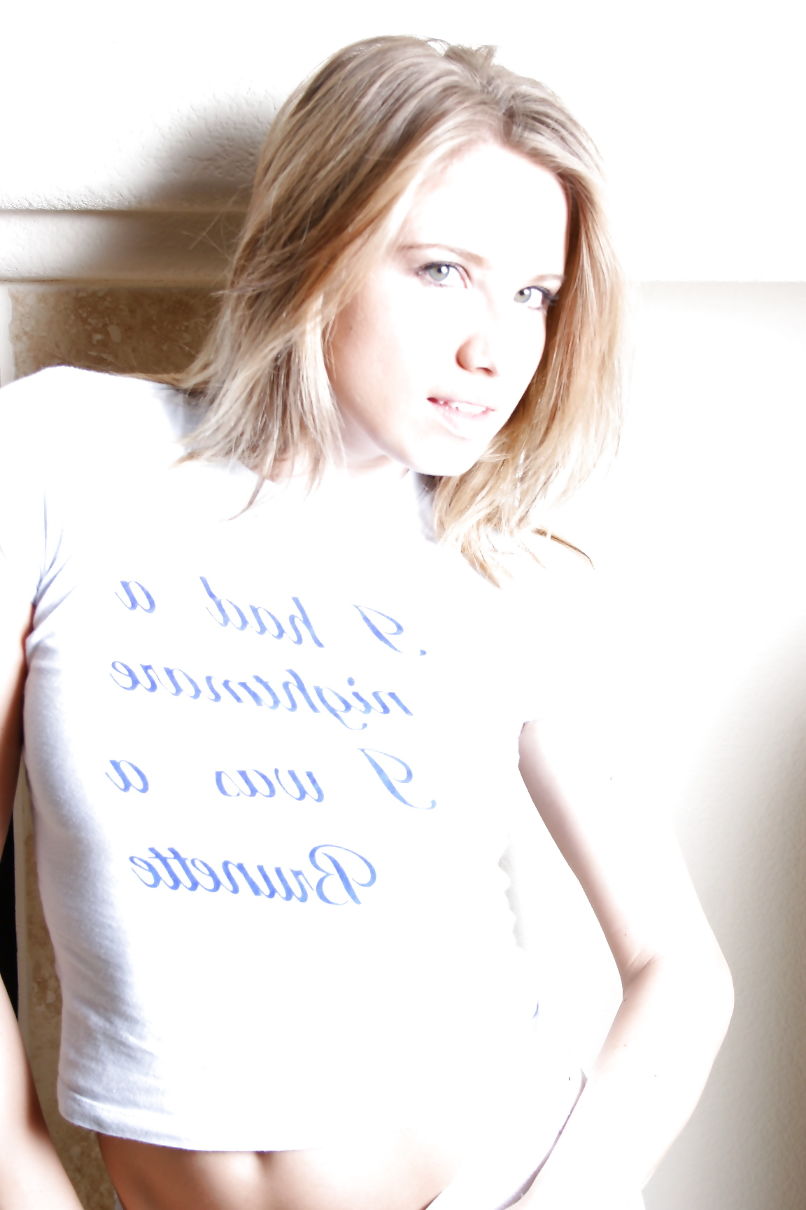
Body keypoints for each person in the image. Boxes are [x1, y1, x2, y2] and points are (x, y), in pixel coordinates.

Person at [0, 34, 732, 1210]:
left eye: (532, 294)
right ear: (318, 242)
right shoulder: (62, 455)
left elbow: (677, 968)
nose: (493, 350)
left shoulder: (503, 567)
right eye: (442, 270)